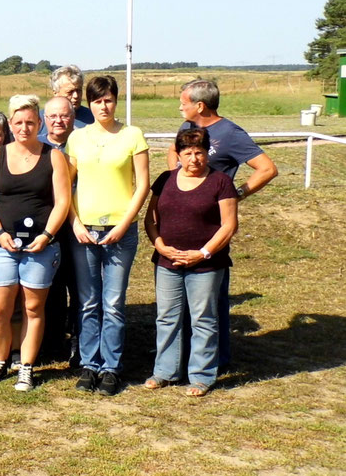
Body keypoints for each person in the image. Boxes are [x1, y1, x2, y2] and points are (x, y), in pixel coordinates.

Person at [166, 79, 277, 370]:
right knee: (183, 303)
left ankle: (217, 361)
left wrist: (238, 193)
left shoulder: (229, 133)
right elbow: (173, 151)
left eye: (184, 101)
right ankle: (182, 360)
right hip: (181, 226)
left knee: (211, 302)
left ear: (199, 105)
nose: (180, 106)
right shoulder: (187, 129)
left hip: (212, 230)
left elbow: (267, 169)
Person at [0, 96, 70, 390]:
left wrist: (47, 236)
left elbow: (62, 202)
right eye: (18, 122)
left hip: (39, 249)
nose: (24, 127)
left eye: (30, 122)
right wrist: (0, 232)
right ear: (10, 125)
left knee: (32, 308)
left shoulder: (53, 156)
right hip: (1, 246)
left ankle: (26, 366)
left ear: (39, 124)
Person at [65, 75, 149, 396]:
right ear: (89, 103)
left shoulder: (133, 136)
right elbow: (66, 185)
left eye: (109, 100)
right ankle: (89, 363)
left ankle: (111, 367)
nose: (104, 106)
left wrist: (124, 224)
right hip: (84, 232)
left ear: (116, 101)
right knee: (87, 302)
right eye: (97, 101)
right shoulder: (78, 138)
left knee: (113, 303)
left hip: (120, 233)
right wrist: (75, 223)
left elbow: (141, 185)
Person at [145, 127, 238, 396]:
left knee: (203, 320)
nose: (194, 159)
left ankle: (201, 375)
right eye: (187, 153)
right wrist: (160, 245)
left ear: (207, 153)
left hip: (206, 265)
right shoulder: (165, 180)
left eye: (199, 153)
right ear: (178, 154)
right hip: (167, 262)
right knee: (167, 318)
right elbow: (151, 219)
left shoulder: (220, 182)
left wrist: (204, 253)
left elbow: (229, 225)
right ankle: (165, 371)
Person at [39, 96, 80, 364]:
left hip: (78, 226)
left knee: (79, 287)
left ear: (73, 117)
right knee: (49, 287)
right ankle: (50, 340)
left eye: (64, 115)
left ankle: (78, 341)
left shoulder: (82, 144)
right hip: (46, 226)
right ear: (45, 119)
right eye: (53, 116)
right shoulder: (37, 146)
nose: (58, 121)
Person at [39, 66, 94, 142]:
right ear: (55, 92)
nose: (76, 96)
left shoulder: (93, 117)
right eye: (70, 92)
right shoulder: (38, 120)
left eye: (78, 91)